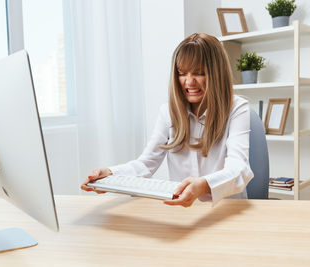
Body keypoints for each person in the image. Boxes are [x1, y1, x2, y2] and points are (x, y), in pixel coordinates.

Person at [81, 33, 254, 207]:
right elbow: (146, 164)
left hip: (226, 209)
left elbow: (239, 169)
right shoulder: (168, 112)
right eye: (182, 73)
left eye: (199, 73)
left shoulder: (237, 109)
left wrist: (203, 185)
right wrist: (111, 174)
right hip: (184, 211)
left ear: (217, 74)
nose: (189, 82)